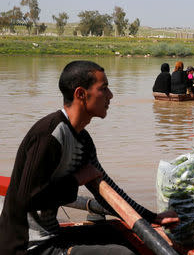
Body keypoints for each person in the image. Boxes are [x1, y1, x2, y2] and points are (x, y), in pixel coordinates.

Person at [0, 61, 179, 255]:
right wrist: (76, 180)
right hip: (27, 246)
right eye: (104, 89)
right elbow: (28, 199)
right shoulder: (49, 134)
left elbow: (108, 192)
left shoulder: (83, 140)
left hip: (53, 235)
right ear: (80, 94)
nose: (110, 96)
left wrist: (153, 218)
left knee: (118, 234)